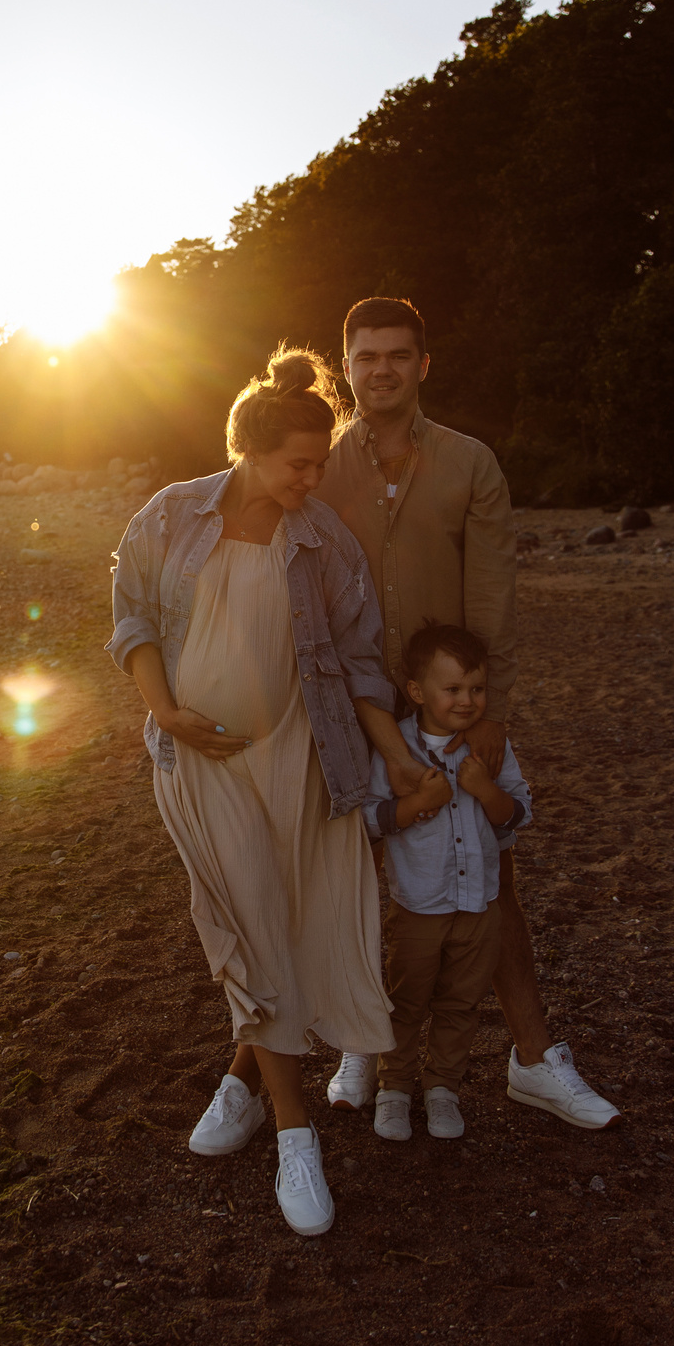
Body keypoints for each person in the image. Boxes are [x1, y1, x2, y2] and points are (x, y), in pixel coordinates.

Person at [106, 346, 421, 1236]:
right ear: (248, 447)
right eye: (298, 464)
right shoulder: (172, 514)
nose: (312, 479)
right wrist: (167, 712)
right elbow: (132, 617)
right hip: (199, 763)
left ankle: (240, 1082)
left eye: (319, 464)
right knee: (246, 922)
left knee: (288, 923)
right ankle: (294, 1132)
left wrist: (393, 755)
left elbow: (359, 660)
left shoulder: (323, 540)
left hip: (301, 755)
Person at [313, 295, 621, 1130]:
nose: (381, 369)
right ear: (347, 366)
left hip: (447, 713)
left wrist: (492, 714)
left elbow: (493, 597)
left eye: (397, 354)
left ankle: (534, 1060)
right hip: (350, 709)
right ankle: (359, 1041)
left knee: (491, 884)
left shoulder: (470, 462)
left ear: (423, 364)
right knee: (351, 879)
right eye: (366, 355)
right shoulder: (321, 465)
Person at [359, 622, 532, 1143]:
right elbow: (367, 819)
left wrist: (484, 790)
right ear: (417, 692)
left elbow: (519, 814)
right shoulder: (396, 749)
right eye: (452, 688)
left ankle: (442, 1089)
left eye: (476, 689)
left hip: (479, 905)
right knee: (407, 1000)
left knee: (461, 1003)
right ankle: (393, 1088)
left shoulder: (489, 750)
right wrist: (417, 803)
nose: (467, 701)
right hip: (418, 906)